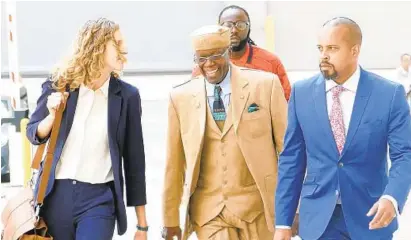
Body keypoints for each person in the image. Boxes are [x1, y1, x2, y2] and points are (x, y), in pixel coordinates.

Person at [274, 17, 411, 240]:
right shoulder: (302, 93)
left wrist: (392, 197)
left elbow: (404, 154)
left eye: (332, 48)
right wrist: (283, 222)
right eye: (320, 48)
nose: (323, 56)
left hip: (371, 215)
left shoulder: (389, 94)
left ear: (354, 50)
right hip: (319, 219)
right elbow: (292, 159)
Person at [161, 25, 288, 240]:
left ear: (228, 52)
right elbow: (174, 164)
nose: (208, 64)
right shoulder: (180, 97)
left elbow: (287, 150)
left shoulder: (265, 85)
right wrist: (169, 219)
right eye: (201, 58)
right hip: (209, 212)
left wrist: (291, 208)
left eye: (215, 56)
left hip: (256, 209)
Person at [26, 18, 148, 240]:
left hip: (99, 200)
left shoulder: (127, 96)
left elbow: (135, 162)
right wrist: (52, 117)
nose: (126, 49)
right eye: (118, 44)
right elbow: (34, 133)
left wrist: (142, 224)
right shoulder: (59, 84)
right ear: (98, 46)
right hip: (55, 196)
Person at [191, 5, 291, 101]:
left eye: (240, 25)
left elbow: (286, 101)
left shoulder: (270, 61)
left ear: (249, 28)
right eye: (228, 25)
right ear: (219, 30)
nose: (234, 30)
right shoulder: (206, 65)